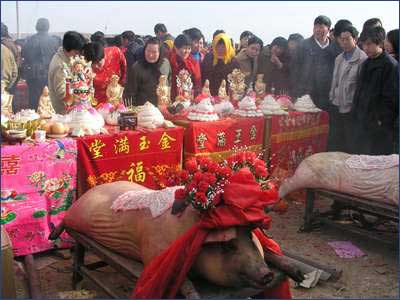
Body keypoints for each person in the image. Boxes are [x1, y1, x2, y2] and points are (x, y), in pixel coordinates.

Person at [352, 26, 398, 155]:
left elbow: (391, 99)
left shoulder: (390, 65)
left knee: (378, 162)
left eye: (369, 44)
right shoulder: (366, 63)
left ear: (380, 43)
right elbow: (359, 92)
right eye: (363, 45)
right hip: (363, 121)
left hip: (379, 126)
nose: (365, 48)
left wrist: (380, 120)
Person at [328, 25, 367, 152]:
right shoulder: (339, 58)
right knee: (336, 139)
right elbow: (335, 80)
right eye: (341, 39)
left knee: (350, 141)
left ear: (355, 39)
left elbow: (362, 87)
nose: (343, 42)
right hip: (336, 103)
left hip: (351, 107)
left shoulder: (363, 59)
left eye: (347, 39)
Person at [292, 15, 336, 110]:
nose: (317, 30)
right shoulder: (303, 45)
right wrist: (296, 92)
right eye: (315, 27)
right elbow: (295, 70)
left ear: (328, 29)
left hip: (327, 94)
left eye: (321, 27)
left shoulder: (335, 48)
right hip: (306, 94)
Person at [21, 18, 61, 110]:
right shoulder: (55, 41)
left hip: (33, 76)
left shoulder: (30, 40)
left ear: (36, 27)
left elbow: (24, 54)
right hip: (50, 75)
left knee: (34, 101)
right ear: (48, 27)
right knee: (50, 101)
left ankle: (34, 122)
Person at [48, 31, 86, 114]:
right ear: (68, 48)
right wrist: (80, 94)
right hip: (63, 111)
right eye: (76, 52)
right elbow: (62, 93)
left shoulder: (68, 57)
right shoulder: (60, 65)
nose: (77, 55)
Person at [125, 37, 171, 106]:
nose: (150, 55)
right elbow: (130, 92)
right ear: (144, 50)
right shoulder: (137, 67)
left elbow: (169, 82)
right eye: (148, 51)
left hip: (163, 108)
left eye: (154, 52)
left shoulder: (165, 63)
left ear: (160, 52)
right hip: (143, 110)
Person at [168, 34, 201, 100]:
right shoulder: (170, 61)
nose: (187, 51)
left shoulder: (193, 62)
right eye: (184, 48)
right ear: (176, 48)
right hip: (172, 99)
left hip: (189, 99)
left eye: (189, 48)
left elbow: (198, 82)